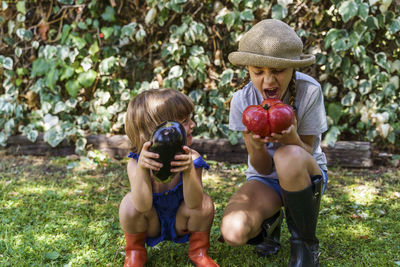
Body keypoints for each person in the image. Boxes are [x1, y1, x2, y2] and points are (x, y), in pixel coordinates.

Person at [220, 19, 328, 267]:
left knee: (287, 155)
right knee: (233, 233)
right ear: (247, 69)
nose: (268, 81)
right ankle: (271, 223)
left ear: (292, 68)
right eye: (258, 72)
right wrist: (256, 146)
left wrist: (291, 139)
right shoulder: (242, 101)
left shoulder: (308, 91)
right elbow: (261, 168)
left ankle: (305, 245)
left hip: (304, 175)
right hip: (266, 179)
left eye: (277, 71)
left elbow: (308, 153)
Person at [119, 88, 219, 267]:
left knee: (206, 203)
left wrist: (188, 171)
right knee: (128, 204)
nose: (193, 124)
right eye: (184, 121)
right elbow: (141, 205)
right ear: (159, 132)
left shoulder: (192, 157)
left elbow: (195, 203)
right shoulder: (135, 163)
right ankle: (135, 252)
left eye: (190, 119)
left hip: (183, 220)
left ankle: (199, 251)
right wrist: (142, 169)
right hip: (151, 222)